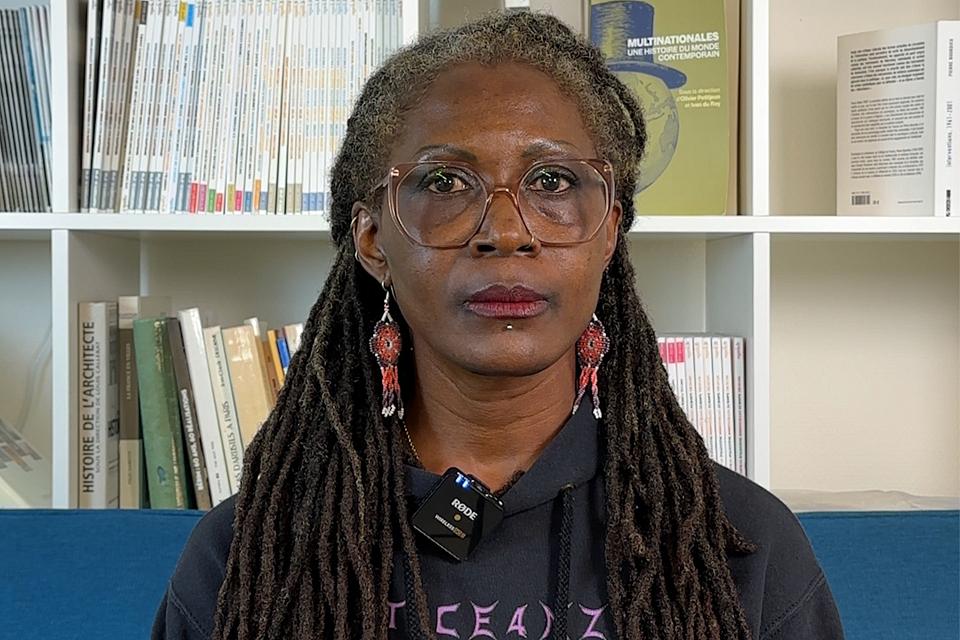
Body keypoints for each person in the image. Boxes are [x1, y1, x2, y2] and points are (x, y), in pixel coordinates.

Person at [152, 10, 845, 640]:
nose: (506, 232)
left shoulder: (741, 546)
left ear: (608, 232)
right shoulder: (247, 554)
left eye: (552, 182)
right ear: (371, 241)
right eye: (446, 183)